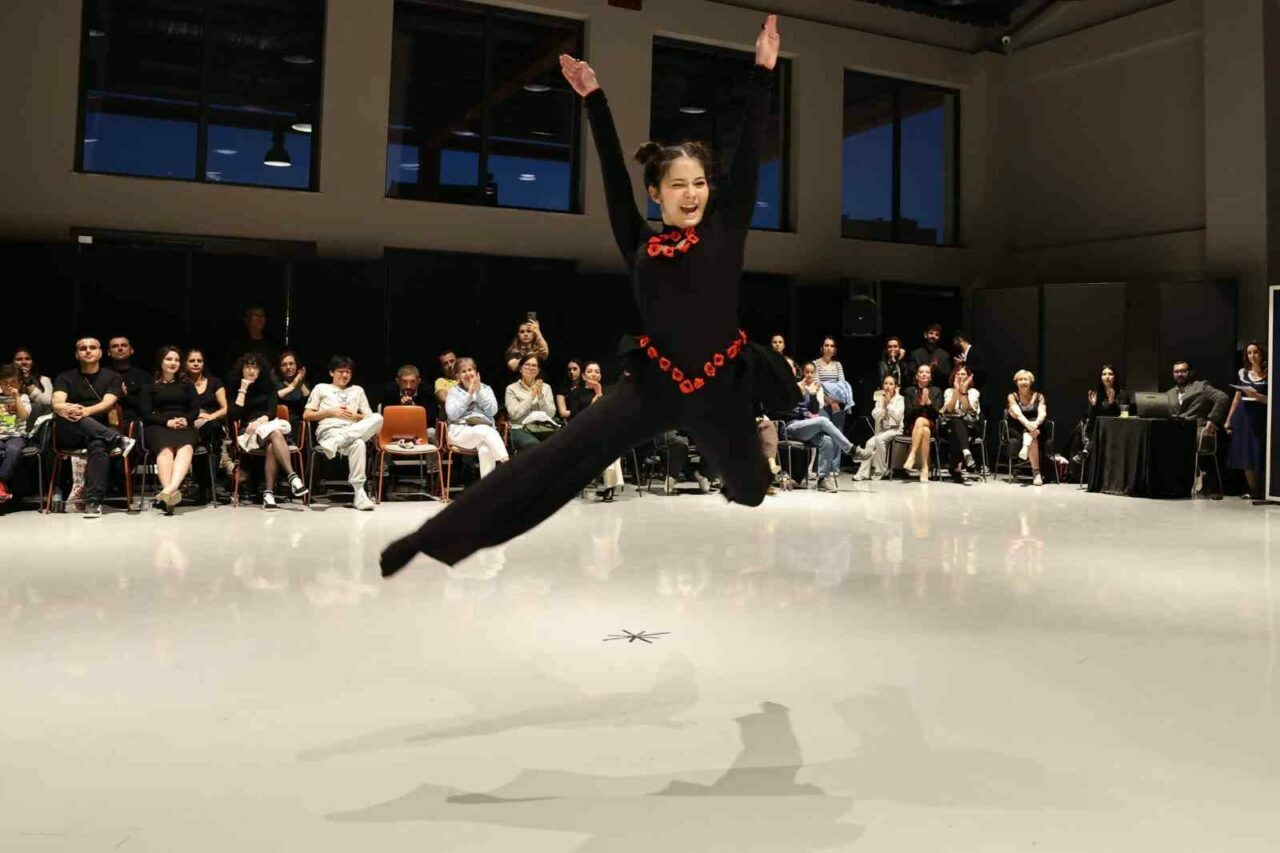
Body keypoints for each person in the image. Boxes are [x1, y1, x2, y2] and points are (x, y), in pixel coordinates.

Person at [382, 15, 793, 575]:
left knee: (750, 489)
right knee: (557, 458)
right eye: (678, 184)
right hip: (655, 383)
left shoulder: (725, 231)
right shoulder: (640, 244)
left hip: (721, 385)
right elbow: (614, 180)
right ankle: (429, 539)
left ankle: (744, 467)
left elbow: (747, 161)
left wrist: (763, 70)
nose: (691, 193)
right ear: (657, 193)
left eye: (699, 183)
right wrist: (594, 99)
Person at [51, 337, 135, 517]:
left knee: (98, 444)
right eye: (83, 348)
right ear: (77, 354)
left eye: (92, 347)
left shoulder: (113, 377)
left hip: (98, 431)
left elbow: (108, 402)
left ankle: (93, 502)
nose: (88, 351)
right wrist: (65, 408)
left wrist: (86, 411)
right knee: (71, 416)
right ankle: (117, 440)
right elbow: (56, 401)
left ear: (100, 353)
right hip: (71, 430)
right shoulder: (65, 377)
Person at [227, 352, 309, 509]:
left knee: (272, 441)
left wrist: (260, 421)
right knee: (274, 434)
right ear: (242, 370)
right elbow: (234, 415)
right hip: (248, 431)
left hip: (267, 425)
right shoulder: (235, 387)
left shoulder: (268, 385)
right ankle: (293, 477)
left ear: (260, 370)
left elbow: (271, 411)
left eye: (255, 367)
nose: (251, 371)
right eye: (247, 367)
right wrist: (243, 389)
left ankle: (269, 494)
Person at [303, 356, 383, 511]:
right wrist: (331, 412)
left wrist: (355, 416)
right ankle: (359, 493)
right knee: (358, 442)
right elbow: (307, 415)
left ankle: (359, 494)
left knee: (377, 419)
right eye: (341, 371)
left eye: (348, 372)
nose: (345, 375)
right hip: (329, 431)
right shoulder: (321, 388)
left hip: (350, 433)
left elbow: (369, 417)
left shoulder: (358, 390)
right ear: (331, 372)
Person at [140, 345, 199, 515]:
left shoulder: (187, 385)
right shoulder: (149, 386)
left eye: (176, 360)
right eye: (168, 359)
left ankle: (168, 492)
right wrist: (167, 422)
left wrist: (186, 420)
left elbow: (195, 410)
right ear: (161, 362)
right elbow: (145, 413)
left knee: (186, 447)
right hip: (158, 426)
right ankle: (170, 495)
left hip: (184, 425)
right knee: (165, 449)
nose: (173, 363)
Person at [784, 362, 854, 492]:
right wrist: (800, 394)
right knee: (822, 420)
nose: (809, 375)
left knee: (827, 440)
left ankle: (822, 480)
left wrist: (812, 395)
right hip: (790, 427)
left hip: (804, 427)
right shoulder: (788, 387)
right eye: (807, 372)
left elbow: (814, 410)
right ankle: (850, 449)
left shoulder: (809, 387)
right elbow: (783, 410)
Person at [441, 357, 508, 478]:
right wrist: (469, 395)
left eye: (470, 370)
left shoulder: (486, 389)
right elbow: (452, 415)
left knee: (485, 449)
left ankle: (487, 487)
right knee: (485, 430)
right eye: (463, 371)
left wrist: (479, 391)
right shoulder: (453, 392)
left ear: (476, 372)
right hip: (460, 431)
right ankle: (507, 463)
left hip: (484, 432)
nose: (468, 374)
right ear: (457, 376)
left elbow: (493, 411)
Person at [1225, 342, 1268, 498]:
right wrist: (1229, 419)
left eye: (1255, 352)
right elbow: (1237, 398)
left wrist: (1257, 396)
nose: (1252, 356)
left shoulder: (1269, 373)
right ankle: (1254, 490)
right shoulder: (1242, 373)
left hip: (1261, 415)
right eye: (1249, 353)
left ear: (1262, 354)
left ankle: (1265, 490)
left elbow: (1272, 400)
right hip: (1243, 415)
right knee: (1246, 453)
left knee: (1259, 451)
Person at [185, 347, 229, 497]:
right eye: (192, 361)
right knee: (203, 435)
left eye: (199, 360)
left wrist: (210, 416)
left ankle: (204, 484)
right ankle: (204, 484)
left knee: (213, 429)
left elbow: (225, 409)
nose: (196, 363)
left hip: (211, 422)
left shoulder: (214, 382)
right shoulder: (181, 383)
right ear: (185, 364)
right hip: (189, 423)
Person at [581, 361, 625, 502]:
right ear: (583, 376)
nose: (594, 374)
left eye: (597, 371)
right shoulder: (578, 394)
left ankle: (609, 487)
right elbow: (578, 417)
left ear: (600, 376)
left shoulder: (610, 392)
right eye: (590, 371)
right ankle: (609, 486)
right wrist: (598, 395)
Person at [1072, 364, 1129, 467]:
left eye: (1110, 374)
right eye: (1104, 374)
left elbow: (1121, 416)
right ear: (1100, 377)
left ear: (1115, 377)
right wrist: (1093, 406)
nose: (1107, 377)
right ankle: (1086, 451)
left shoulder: (1122, 394)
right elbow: (1092, 419)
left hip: (1116, 430)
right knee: (1100, 429)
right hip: (1096, 429)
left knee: (1104, 430)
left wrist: (1112, 402)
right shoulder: (1096, 395)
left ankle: (1086, 451)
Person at [505, 354, 560, 453]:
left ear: (538, 370)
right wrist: (531, 397)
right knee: (532, 444)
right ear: (520, 369)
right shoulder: (511, 388)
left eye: (534, 365)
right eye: (527, 365)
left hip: (543, 427)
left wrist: (541, 397)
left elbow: (551, 414)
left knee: (559, 442)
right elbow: (513, 414)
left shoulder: (546, 387)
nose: (530, 368)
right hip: (520, 428)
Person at [853, 374, 903, 481]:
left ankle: (880, 470)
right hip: (882, 430)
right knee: (869, 443)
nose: (888, 386)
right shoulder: (880, 399)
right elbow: (875, 414)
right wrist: (883, 407)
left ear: (895, 387)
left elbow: (898, 417)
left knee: (879, 440)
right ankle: (863, 472)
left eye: (891, 384)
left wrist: (889, 405)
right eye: (886, 383)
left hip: (895, 429)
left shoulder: (899, 399)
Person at [939, 364, 980, 482]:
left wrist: (963, 392)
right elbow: (949, 409)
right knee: (956, 423)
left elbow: (967, 409)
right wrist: (956, 391)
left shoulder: (974, 392)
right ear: (954, 376)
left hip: (970, 426)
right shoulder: (949, 391)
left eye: (963, 374)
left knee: (958, 425)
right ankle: (966, 453)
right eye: (958, 374)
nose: (960, 376)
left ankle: (956, 466)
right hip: (951, 426)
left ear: (968, 377)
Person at [1007, 369, 1047, 486]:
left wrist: (1036, 423)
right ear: (1016, 382)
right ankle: (1036, 473)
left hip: (1037, 427)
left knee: (1033, 432)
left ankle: (1026, 445)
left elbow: (1042, 413)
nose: (1023, 382)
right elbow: (1018, 414)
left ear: (1030, 382)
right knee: (1032, 434)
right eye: (1020, 379)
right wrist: (1029, 426)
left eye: (1026, 379)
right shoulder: (1012, 396)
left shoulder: (1039, 397)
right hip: (1018, 429)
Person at [902, 364, 942, 482]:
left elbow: (937, 415)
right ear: (917, 376)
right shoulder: (909, 391)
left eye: (927, 372)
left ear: (930, 377)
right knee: (924, 430)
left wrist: (928, 402)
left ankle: (912, 454)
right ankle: (925, 468)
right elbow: (907, 414)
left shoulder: (936, 391)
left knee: (921, 421)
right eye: (921, 372)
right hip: (913, 425)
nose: (924, 374)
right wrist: (921, 405)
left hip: (931, 423)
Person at [0, 363, 31, 504]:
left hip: (17, 436)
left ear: (19, 383)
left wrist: (16, 397)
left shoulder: (23, 398)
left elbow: (24, 416)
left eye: (13, 382)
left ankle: (1, 482)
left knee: (13, 450)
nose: (9, 386)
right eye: (5, 382)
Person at [106, 335, 153, 426]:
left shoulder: (144, 376)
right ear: (109, 352)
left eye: (124, 345)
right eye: (115, 346)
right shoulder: (102, 374)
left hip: (136, 421)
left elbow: (147, 407)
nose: (120, 348)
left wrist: (125, 396)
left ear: (131, 350)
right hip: (104, 420)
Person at [814, 336, 852, 431]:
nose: (829, 348)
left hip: (837, 401)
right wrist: (830, 401)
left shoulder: (838, 364)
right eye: (826, 345)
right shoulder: (815, 364)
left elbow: (842, 384)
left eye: (832, 346)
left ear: (834, 349)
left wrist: (835, 400)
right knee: (825, 431)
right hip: (823, 402)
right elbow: (817, 385)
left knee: (838, 432)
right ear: (822, 348)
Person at [13, 347, 53, 420]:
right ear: (13, 362)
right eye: (19, 359)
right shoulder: (5, 380)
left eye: (27, 359)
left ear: (33, 361)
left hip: (38, 419)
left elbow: (47, 402)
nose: (24, 362)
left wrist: (28, 381)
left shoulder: (43, 379)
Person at [275, 350, 311, 425]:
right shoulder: (275, 383)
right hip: (278, 423)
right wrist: (293, 385)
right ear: (280, 368)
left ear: (296, 365)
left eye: (291, 364)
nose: (288, 367)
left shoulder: (303, 384)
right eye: (284, 365)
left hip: (298, 423)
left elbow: (309, 404)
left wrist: (301, 383)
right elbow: (275, 397)